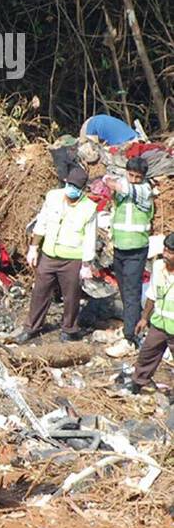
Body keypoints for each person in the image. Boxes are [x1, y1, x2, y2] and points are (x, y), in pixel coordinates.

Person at [15, 166, 98, 344]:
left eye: (76, 188)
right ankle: (32, 328)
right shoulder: (53, 197)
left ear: (83, 190)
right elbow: (42, 221)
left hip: (72, 259)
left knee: (71, 296)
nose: (72, 190)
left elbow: (91, 237)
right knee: (40, 292)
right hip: (49, 255)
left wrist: (86, 264)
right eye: (70, 185)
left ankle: (69, 329)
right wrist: (33, 247)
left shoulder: (89, 208)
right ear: (66, 182)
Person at [103, 156, 154, 357]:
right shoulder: (126, 183)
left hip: (136, 249)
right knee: (125, 291)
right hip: (120, 247)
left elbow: (120, 186)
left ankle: (130, 338)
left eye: (137, 177)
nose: (133, 179)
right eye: (130, 175)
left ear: (143, 177)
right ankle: (130, 324)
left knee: (132, 293)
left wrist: (110, 181)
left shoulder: (144, 190)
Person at [126, 234, 174, 394]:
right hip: (159, 324)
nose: (166, 255)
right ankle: (138, 384)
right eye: (165, 250)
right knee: (147, 354)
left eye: (171, 252)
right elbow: (152, 294)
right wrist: (144, 318)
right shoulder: (158, 266)